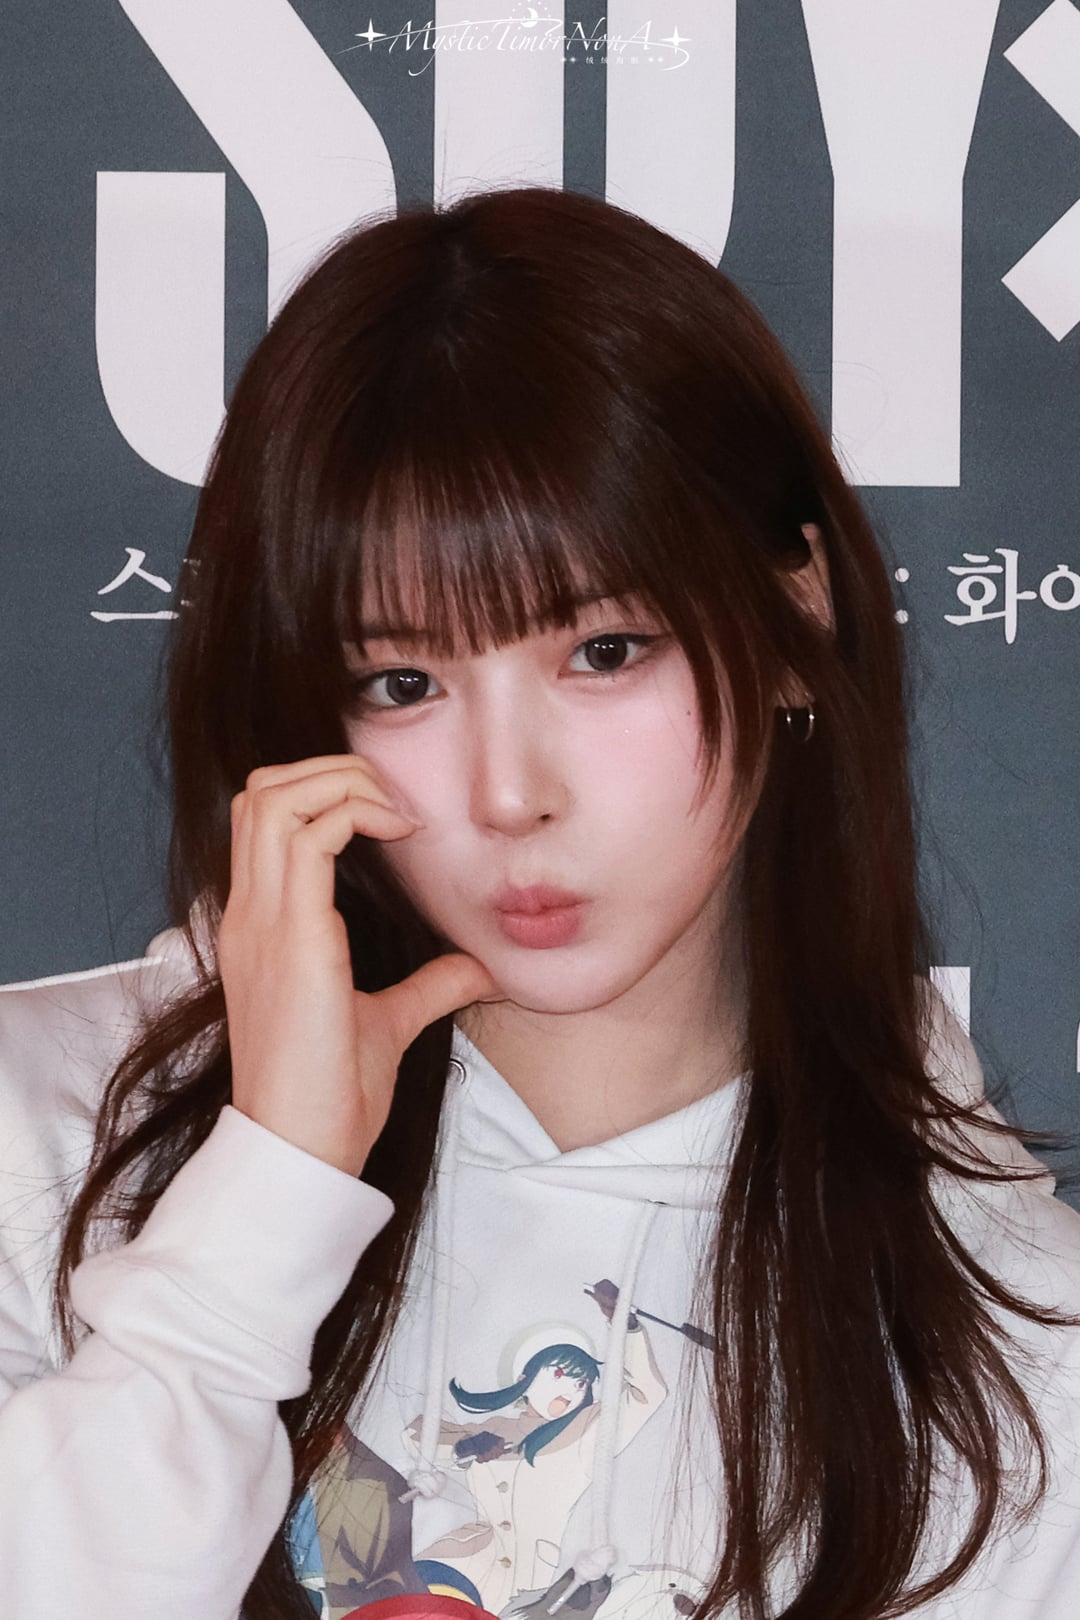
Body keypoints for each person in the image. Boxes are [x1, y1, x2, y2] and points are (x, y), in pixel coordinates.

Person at [1, 184, 1079, 1620]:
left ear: (796, 622)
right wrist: (265, 1194)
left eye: (604, 652)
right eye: (403, 683)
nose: (510, 793)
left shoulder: (1019, 1346)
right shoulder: (43, 1140)